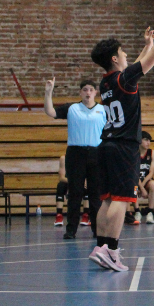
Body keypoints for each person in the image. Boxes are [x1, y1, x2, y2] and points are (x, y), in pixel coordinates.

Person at [88, 17, 154, 272]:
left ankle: (101, 247)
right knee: (121, 200)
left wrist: (146, 45)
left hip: (106, 145)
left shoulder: (106, 82)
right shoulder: (124, 79)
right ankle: (111, 250)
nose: (126, 55)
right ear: (114, 58)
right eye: (122, 52)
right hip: (124, 147)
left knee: (107, 200)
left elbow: (134, 66)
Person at [44, 78, 107, 239]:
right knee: (75, 193)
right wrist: (48, 92)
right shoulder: (72, 108)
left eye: (91, 90)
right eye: (85, 90)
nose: (88, 93)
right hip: (75, 154)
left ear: (95, 92)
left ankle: (97, 229)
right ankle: (71, 229)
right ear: (80, 92)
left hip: (96, 153)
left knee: (95, 194)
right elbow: (50, 112)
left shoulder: (103, 110)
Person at [54, 156, 91, 227]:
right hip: (69, 181)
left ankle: (86, 215)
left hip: (79, 182)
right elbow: (61, 178)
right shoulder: (64, 158)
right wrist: (74, 182)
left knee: (87, 187)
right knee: (60, 186)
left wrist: (83, 182)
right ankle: (59, 215)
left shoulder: (83, 157)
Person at [135, 131, 154, 224]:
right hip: (136, 180)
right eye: (146, 140)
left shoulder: (153, 153)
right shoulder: (134, 153)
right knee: (133, 187)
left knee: (153, 184)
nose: (148, 143)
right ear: (139, 140)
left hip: (146, 180)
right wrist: (141, 188)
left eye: (149, 141)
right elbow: (134, 173)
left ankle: (150, 212)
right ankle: (137, 212)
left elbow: (151, 173)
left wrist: (143, 186)